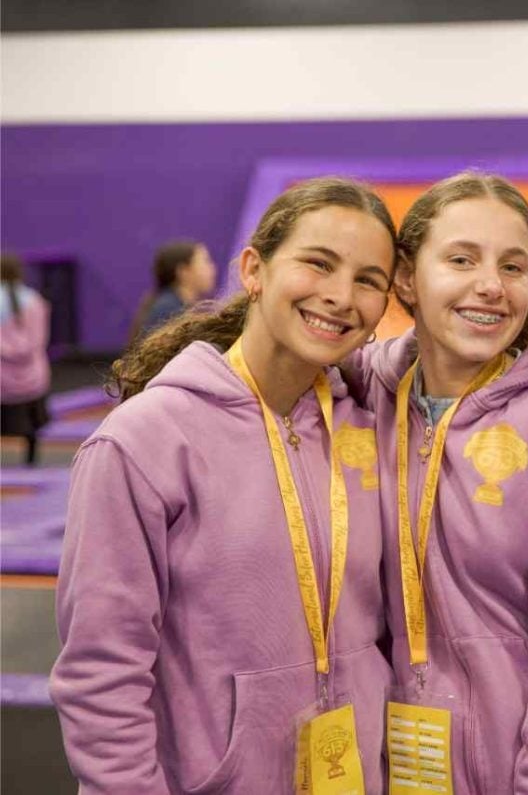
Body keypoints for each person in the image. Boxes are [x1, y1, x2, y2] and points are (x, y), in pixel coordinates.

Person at [50, 177, 397, 793]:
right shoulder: (143, 442)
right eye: (319, 263)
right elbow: (101, 675)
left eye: (368, 280)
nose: (341, 296)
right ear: (254, 270)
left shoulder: (370, 426)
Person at [346, 172, 528, 794]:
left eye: (513, 267)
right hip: (395, 768)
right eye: (461, 260)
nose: (491, 286)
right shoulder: (365, 394)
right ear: (406, 277)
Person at [1, 252, 51, 465]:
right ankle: (31, 462)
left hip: (3, 382)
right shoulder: (35, 301)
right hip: (33, 380)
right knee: (31, 428)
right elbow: (39, 341)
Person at [130, 240, 218, 340]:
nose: (213, 269)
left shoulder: (175, 306)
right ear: (183, 271)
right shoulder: (169, 312)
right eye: (205, 262)